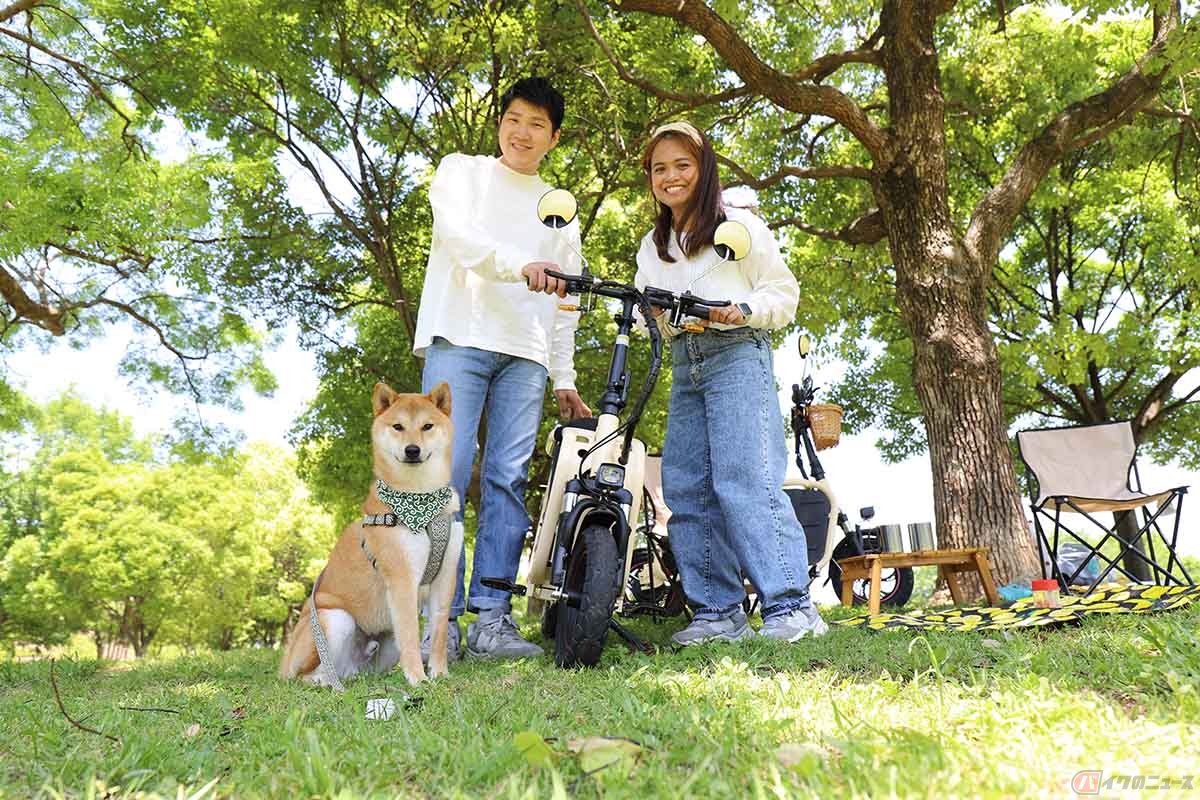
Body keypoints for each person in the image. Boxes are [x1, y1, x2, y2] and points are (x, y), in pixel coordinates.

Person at [414, 76, 591, 661]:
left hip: (528, 354)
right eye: (515, 119)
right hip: (460, 337)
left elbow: (567, 300)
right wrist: (521, 264)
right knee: (440, 477)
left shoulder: (561, 212)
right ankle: (434, 622)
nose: (523, 131)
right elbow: (457, 237)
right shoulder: (461, 173)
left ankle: (492, 620)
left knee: (507, 482)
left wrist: (563, 376)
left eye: (537, 124)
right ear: (500, 124)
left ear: (554, 137)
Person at [633, 121, 827, 645]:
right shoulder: (653, 248)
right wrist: (656, 316)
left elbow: (783, 295)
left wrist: (740, 311)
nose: (670, 177)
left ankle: (792, 606)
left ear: (703, 169)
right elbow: (649, 314)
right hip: (684, 361)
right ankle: (718, 612)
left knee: (745, 478)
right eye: (659, 168)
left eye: (682, 165)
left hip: (738, 354)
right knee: (687, 486)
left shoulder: (737, 226)